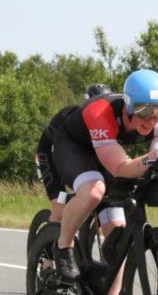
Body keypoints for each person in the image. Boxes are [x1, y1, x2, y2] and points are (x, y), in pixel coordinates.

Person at [49, 70, 158, 295]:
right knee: (94, 191)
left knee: (118, 230)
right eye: (142, 110)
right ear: (127, 104)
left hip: (109, 151)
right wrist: (156, 156)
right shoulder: (100, 112)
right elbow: (121, 168)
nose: (150, 118)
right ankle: (63, 246)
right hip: (76, 149)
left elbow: (154, 163)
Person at [35, 83, 113, 223]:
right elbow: (44, 145)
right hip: (50, 159)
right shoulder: (68, 116)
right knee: (60, 210)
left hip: (84, 163)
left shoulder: (111, 121)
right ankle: (53, 233)